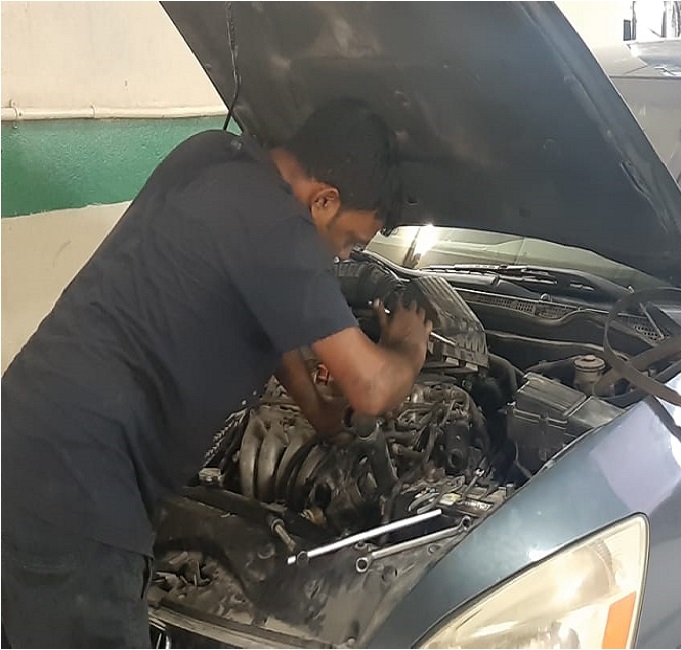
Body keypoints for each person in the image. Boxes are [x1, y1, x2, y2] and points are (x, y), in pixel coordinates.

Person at [0, 98, 432, 647]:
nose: (346, 258)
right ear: (323, 200)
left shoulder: (210, 156)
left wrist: (319, 409)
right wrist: (407, 347)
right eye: (351, 241)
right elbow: (371, 388)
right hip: (78, 491)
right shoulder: (277, 225)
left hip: (23, 441)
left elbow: (260, 309)